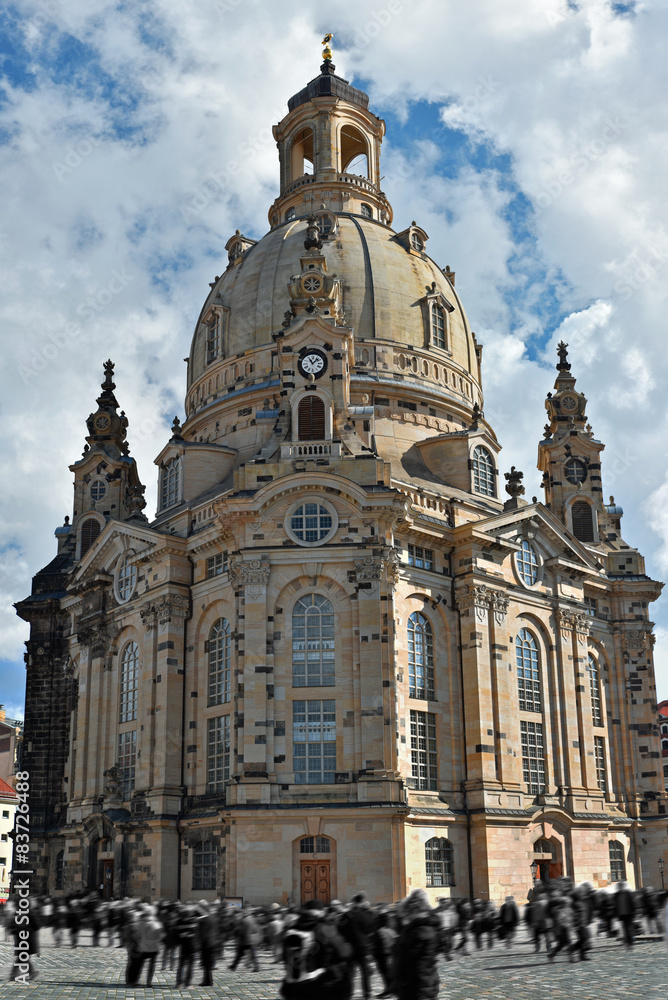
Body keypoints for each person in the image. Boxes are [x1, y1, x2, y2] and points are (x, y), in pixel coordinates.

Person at [392, 890, 441, 1000]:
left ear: (413, 911)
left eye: (407, 915)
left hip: (416, 984)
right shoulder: (429, 927)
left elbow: (404, 957)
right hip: (426, 980)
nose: (406, 918)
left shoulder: (417, 931)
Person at [338, 892, 375, 1000]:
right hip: (364, 947)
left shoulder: (347, 915)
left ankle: (349, 993)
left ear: (353, 902)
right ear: (362, 902)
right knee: (365, 971)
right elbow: (371, 930)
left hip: (350, 947)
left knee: (350, 972)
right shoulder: (367, 915)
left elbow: (340, 929)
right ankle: (367, 993)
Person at [614, 880, 636, 949]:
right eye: (619, 886)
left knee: (629, 929)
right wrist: (616, 915)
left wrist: (634, 912)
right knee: (624, 929)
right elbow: (615, 905)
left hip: (629, 914)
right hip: (621, 915)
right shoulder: (616, 895)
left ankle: (630, 942)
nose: (620, 887)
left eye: (621, 886)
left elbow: (632, 903)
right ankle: (627, 943)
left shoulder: (628, 893)